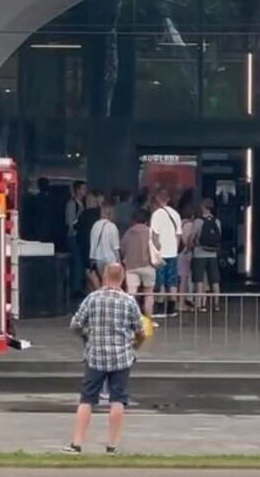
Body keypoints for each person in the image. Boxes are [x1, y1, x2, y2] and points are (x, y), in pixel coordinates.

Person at [64, 263, 145, 455]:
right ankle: (112, 446)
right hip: (121, 357)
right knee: (118, 400)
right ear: (123, 277)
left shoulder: (92, 299)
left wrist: (87, 334)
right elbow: (140, 330)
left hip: (96, 356)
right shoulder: (129, 301)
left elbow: (75, 324)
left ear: (105, 277)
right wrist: (135, 344)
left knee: (87, 399)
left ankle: (77, 444)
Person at [149, 189, 182, 317]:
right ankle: (171, 309)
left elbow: (155, 235)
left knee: (160, 281)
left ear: (157, 199)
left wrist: (157, 249)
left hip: (161, 254)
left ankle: (160, 307)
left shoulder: (156, 214)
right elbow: (178, 235)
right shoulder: (176, 214)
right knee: (172, 281)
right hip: (173, 253)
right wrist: (175, 248)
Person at [121, 210, 158, 318]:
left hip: (131, 266)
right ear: (147, 221)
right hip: (148, 265)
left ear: (134, 220)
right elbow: (158, 246)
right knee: (148, 293)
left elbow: (122, 248)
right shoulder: (150, 232)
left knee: (132, 293)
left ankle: (132, 319)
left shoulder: (128, 232)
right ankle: (148, 320)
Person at [192, 199, 223, 312]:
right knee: (215, 280)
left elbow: (193, 236)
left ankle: (200, 305)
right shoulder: (217, 221)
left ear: (203, 207)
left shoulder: (198, 221)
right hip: (213, 254)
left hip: (199, 253)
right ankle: (216, 304)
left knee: (199, 280)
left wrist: (190, 245)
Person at [88, 203, 119, 292]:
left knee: (103, 280)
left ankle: (102, 296)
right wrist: (119, 261)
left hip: (98, 258)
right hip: (110, 258)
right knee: (112, 283)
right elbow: (115, 247)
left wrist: (92, 258)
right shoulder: (112, 226)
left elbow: (93, 243)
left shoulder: (95, 225)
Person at [66, 181, 87, 295]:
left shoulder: (82, 203)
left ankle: (78, 285)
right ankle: (76, 288)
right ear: (77, 190)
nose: (85, 191)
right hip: (73, 236)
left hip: (79, 236)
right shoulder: (72, 204)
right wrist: (74, 231)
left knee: (79, 261)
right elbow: (70, 221)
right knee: (77, 261)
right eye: (83, 188)